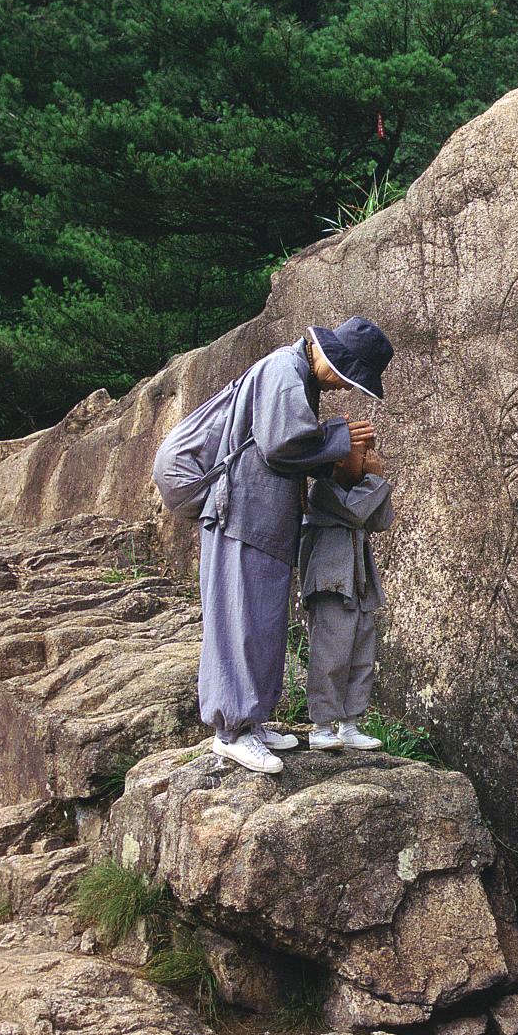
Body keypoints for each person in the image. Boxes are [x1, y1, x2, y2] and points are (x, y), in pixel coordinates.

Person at [198, 316, 394, 773]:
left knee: (263, 623)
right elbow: (280, 444)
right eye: (348, 377)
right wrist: (341, 436)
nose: (344, 388)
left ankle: (253, 722)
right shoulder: (284, 369)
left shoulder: (299, 378)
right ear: (334, 357)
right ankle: (231, 731)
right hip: (241, 514)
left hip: (264, 521)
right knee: (239, 619)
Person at [298, 441, 393, 751]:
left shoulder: (362, 490)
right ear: (337, 460)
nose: (369, 459)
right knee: (330, 656)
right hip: (331, 584)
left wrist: (375, 481)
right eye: (363, 453)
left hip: (358, 584)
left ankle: (349, 724)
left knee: (360, 655)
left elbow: (381, 521)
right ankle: (322, 725)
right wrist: (375, 481)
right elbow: (355, 513)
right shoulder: (323, 491)